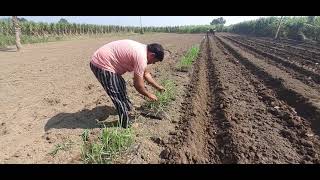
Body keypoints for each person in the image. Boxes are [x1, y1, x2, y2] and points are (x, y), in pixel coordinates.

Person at [89, 39, 165, 128]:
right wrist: (149, 95)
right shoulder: (141, 57)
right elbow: (138, 85)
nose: (152, 63)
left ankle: (128, 108)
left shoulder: (143, 50)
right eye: (154, 61)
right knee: (117, 93)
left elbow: (146, 73)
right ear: (152, 55)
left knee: (121, 84)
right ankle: (125, 123)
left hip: (107, 62)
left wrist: (158, 87)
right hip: (102, 63)